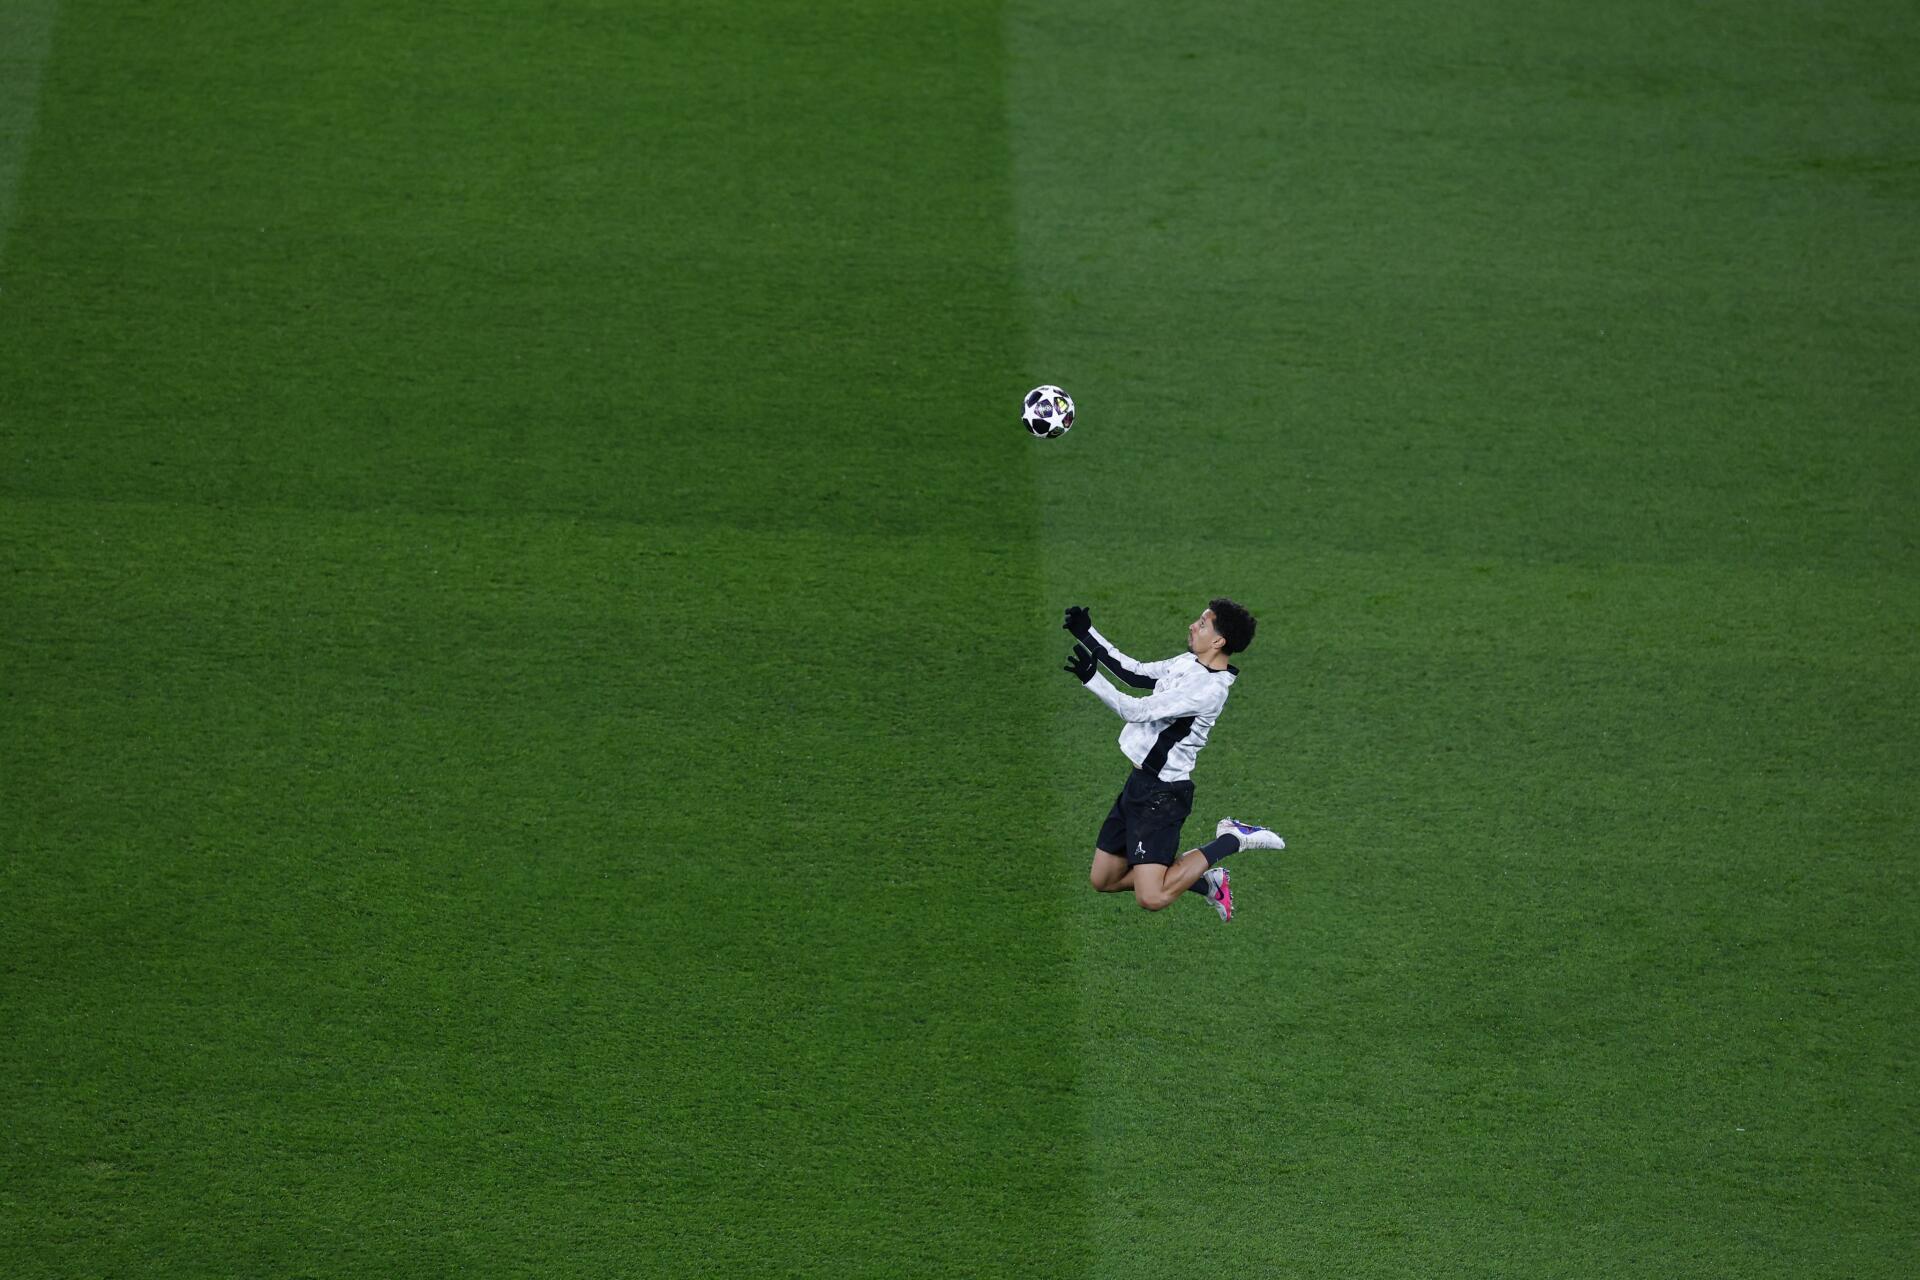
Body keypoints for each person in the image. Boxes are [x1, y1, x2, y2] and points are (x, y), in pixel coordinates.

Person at [1062, 599, 1285, 922]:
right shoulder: (1189, 663)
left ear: (1219, 641)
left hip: (1162, 796)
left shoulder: (1208, 689)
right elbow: (1135, 673)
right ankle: (1205, 881)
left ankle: (1232, 839)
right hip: (1138, 786)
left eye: (1203, 624)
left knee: (1151, 897)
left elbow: (1135, 710)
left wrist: (1091, 680)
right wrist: (1087, 634)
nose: (1193, 625)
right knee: (1104, 880)